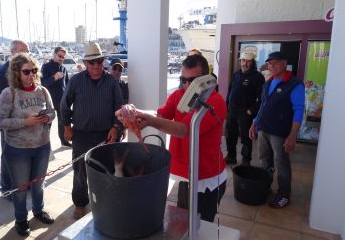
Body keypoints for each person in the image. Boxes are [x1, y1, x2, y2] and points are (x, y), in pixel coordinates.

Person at [117, 54, 227, 222]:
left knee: (202, 225)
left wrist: (151, 120)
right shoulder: (179, 94)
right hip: (187, 174)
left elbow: (184, 130)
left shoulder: (215, 102)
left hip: (207, 176)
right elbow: (161, 113)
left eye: (193, 80)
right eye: (184, 79)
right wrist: (136, 113)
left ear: (205, 79)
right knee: (184, 221)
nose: (187, 85)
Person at [0, 53, 56, 236]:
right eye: (26, 71)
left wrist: (47, 117)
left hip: (42, 147)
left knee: (38, 184)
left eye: (34, 70)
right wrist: (24, 122)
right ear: (16, 72)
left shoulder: (43, 91)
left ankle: (38, 211)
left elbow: (53, 112)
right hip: (18, 150)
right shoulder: (9, 93)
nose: (31, 75)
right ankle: (21, 219)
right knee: (20, 188)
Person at [60, 43, 124, 219]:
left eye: (99, 61)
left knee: (107, 170)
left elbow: (120, 107)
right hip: (82, 134)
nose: (96, 65)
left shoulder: (111, 81)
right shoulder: (76, 80)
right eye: (92, 62)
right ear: (85, 63)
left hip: (107, 134)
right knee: (80, 171)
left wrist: (116, 127)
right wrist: (66, 127)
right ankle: (80, 203)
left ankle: (106, 201)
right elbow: (65, 105)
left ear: (103, 61)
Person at [249, 51, 305, 209]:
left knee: (282, 164)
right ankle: (266, 187)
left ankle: (284, 195)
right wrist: (254, 123)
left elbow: (299, 110)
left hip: (280, 132)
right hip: (264, 129)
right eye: (269, 63)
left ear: (284, 63)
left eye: (275, 62)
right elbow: (262, 106)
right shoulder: (268, 82)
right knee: (264, 160)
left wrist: (293, 135)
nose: (271, 66)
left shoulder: (295, 84)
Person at [0, 40, 29, 197]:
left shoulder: (26, 71)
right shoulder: (2, 73)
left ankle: (21, 185)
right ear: (12, 53)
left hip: (24, 125)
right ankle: (7, 188)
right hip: (9, 126)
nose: (26, 54)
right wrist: (2, 125)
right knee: (8, 156)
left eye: (28, 51)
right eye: (22, 51)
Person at [224, 52, 265, 166]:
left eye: (248, 61)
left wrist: (251, 110)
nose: (245, 63)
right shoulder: (236, 74)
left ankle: (246, 160)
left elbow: (262, 98)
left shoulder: (258, 77)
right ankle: (231, 156)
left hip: (245, 112)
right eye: (243, 60)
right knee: (230, 135)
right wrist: (227, 105)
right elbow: (230, 91)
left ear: (253, 62)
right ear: (240, 61)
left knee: (246, 137)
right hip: (232, 110)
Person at [41, 46, 71, 147]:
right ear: (54, 54)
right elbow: (42, 83)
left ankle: (64, 141)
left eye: (63, 57)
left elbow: (67, 85)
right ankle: (44, 144)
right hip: (49, 101)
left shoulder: (63, 68)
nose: (61, 58)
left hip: (61, 100)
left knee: (63, 121)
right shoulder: (46, 67)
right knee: (47, 122)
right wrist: (54, 77)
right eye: (59, 56)